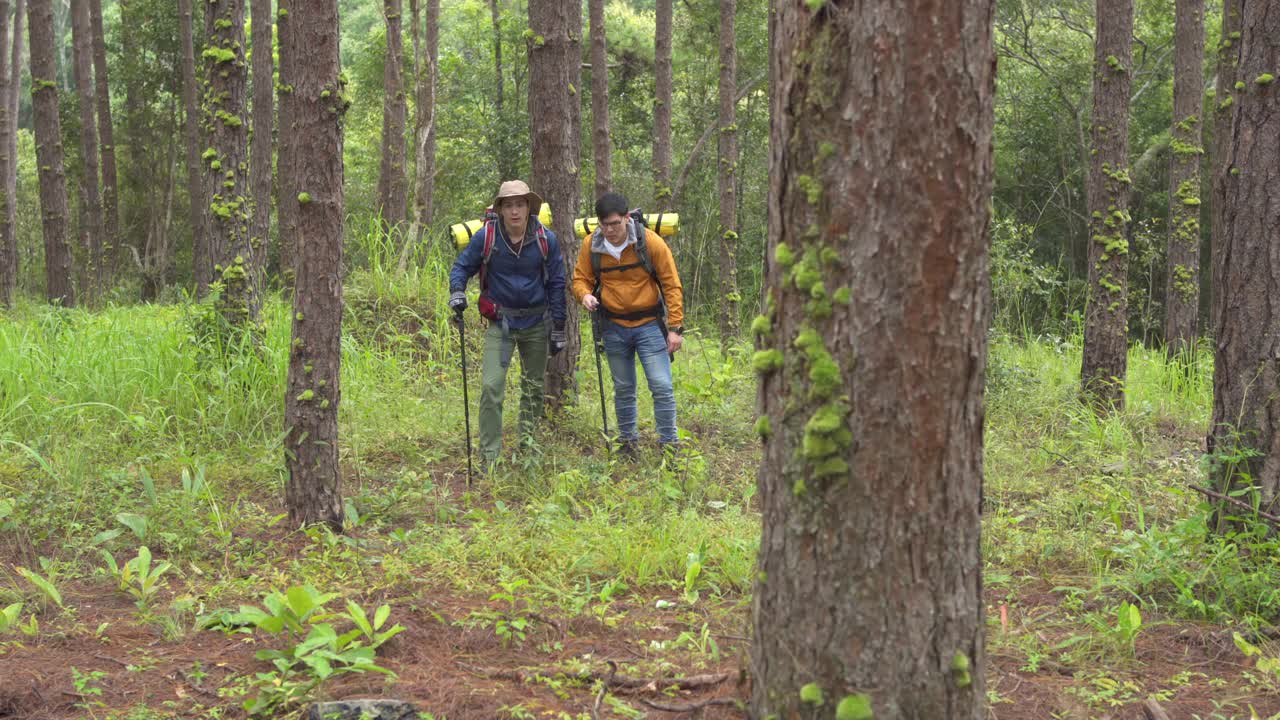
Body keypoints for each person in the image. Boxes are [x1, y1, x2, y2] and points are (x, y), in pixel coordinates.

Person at [449, 180, 567, 465]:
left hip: (537, 324)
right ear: (500, 209)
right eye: (509, 205)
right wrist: (457, 291)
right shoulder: (487, 236)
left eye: (520, 204)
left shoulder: (545, 238)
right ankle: (490, 457)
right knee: (491, 387)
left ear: (529, 207)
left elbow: (557, 282)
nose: (515, 211)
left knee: (533, 387)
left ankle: (527, 450)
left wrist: (559, 326)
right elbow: (462, 266)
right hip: (500, 324)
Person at [572, 191, 685, 456]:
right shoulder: (592, 244)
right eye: (605, 225)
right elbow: (580, 279)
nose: (610, 230)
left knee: (661, 385)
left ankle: (670, 445)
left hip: (648, 325)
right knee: (623, 388)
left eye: (615, 224)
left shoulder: (650, 242)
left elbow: (671, 284)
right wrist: (585, 295)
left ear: (626, 219)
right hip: (613, 327)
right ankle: (628, 443)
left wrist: (675, 327)